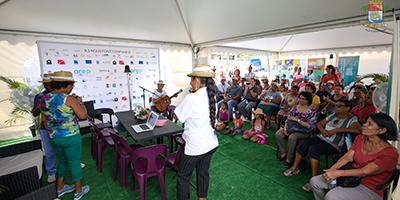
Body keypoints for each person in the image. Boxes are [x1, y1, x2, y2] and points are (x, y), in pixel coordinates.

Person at [310, 113, 399, 200]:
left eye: (369, 124)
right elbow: (347, 157)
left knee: (332, 196)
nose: (364, 125)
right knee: (315, 181)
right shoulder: (360, 138)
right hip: (350, 177)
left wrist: (338, 173)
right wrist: (333, 169)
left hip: (369, 187)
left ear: (382, 130)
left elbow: (364, 171)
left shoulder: (390, 153)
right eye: (366, 122)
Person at [284, 100, 361, 193]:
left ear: (348, 108)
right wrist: (323, 130)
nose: (335, 107)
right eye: (335, 105)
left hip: (334, 144)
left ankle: (313, 179)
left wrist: (337, 130)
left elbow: (357, 130)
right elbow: (319, 123)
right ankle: (295, 167)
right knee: (303, 144)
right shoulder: (333, 115)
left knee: (313, 149)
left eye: (339, 105)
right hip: (322, 137)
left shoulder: (352, 119)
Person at [40, 71, 90, 199]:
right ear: (66, 85)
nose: (72, 88)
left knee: (62, 161)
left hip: (53, 138)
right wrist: (81, 103)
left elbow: (44, 120)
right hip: (70, 137)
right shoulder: (69, 98)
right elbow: (83, 115)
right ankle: (78, 191)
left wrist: (53, 133)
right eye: (71, 86)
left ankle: (60, 188)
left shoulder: (44, 99)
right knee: (74, 163)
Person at [174, 64, 218, 200]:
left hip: (195, 147)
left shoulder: (192, 98)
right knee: (203, 173)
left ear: (197, 80)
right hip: (210, 143)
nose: (190, 82)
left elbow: (177, 116)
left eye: (191, 79)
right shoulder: (212, 97)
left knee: (183, 177)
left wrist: (187, 99)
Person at [276, 92, 317, 168]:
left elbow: (311, 125)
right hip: (292, 128)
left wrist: (297, 120)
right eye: (300, 98)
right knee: (278, 134)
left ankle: (289, 158)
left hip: (304, 131)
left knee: (292, 137)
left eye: (303, 99)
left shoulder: (312, 111)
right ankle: (283, 152)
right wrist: (285, 128)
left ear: (308, 100)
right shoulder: (295, 107)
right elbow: (288, 119)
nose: (300, 100)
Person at [31, 73, 57, 183]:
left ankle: (74, 164)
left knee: (67, 148)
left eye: (49, 84)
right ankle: (51, 172)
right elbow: (35, 113)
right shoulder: (40, 96)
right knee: (49, 151)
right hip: (45, 128)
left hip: (60, 127)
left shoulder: (60, 95)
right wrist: (38, 105)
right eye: (45, 85)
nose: (47, 87)